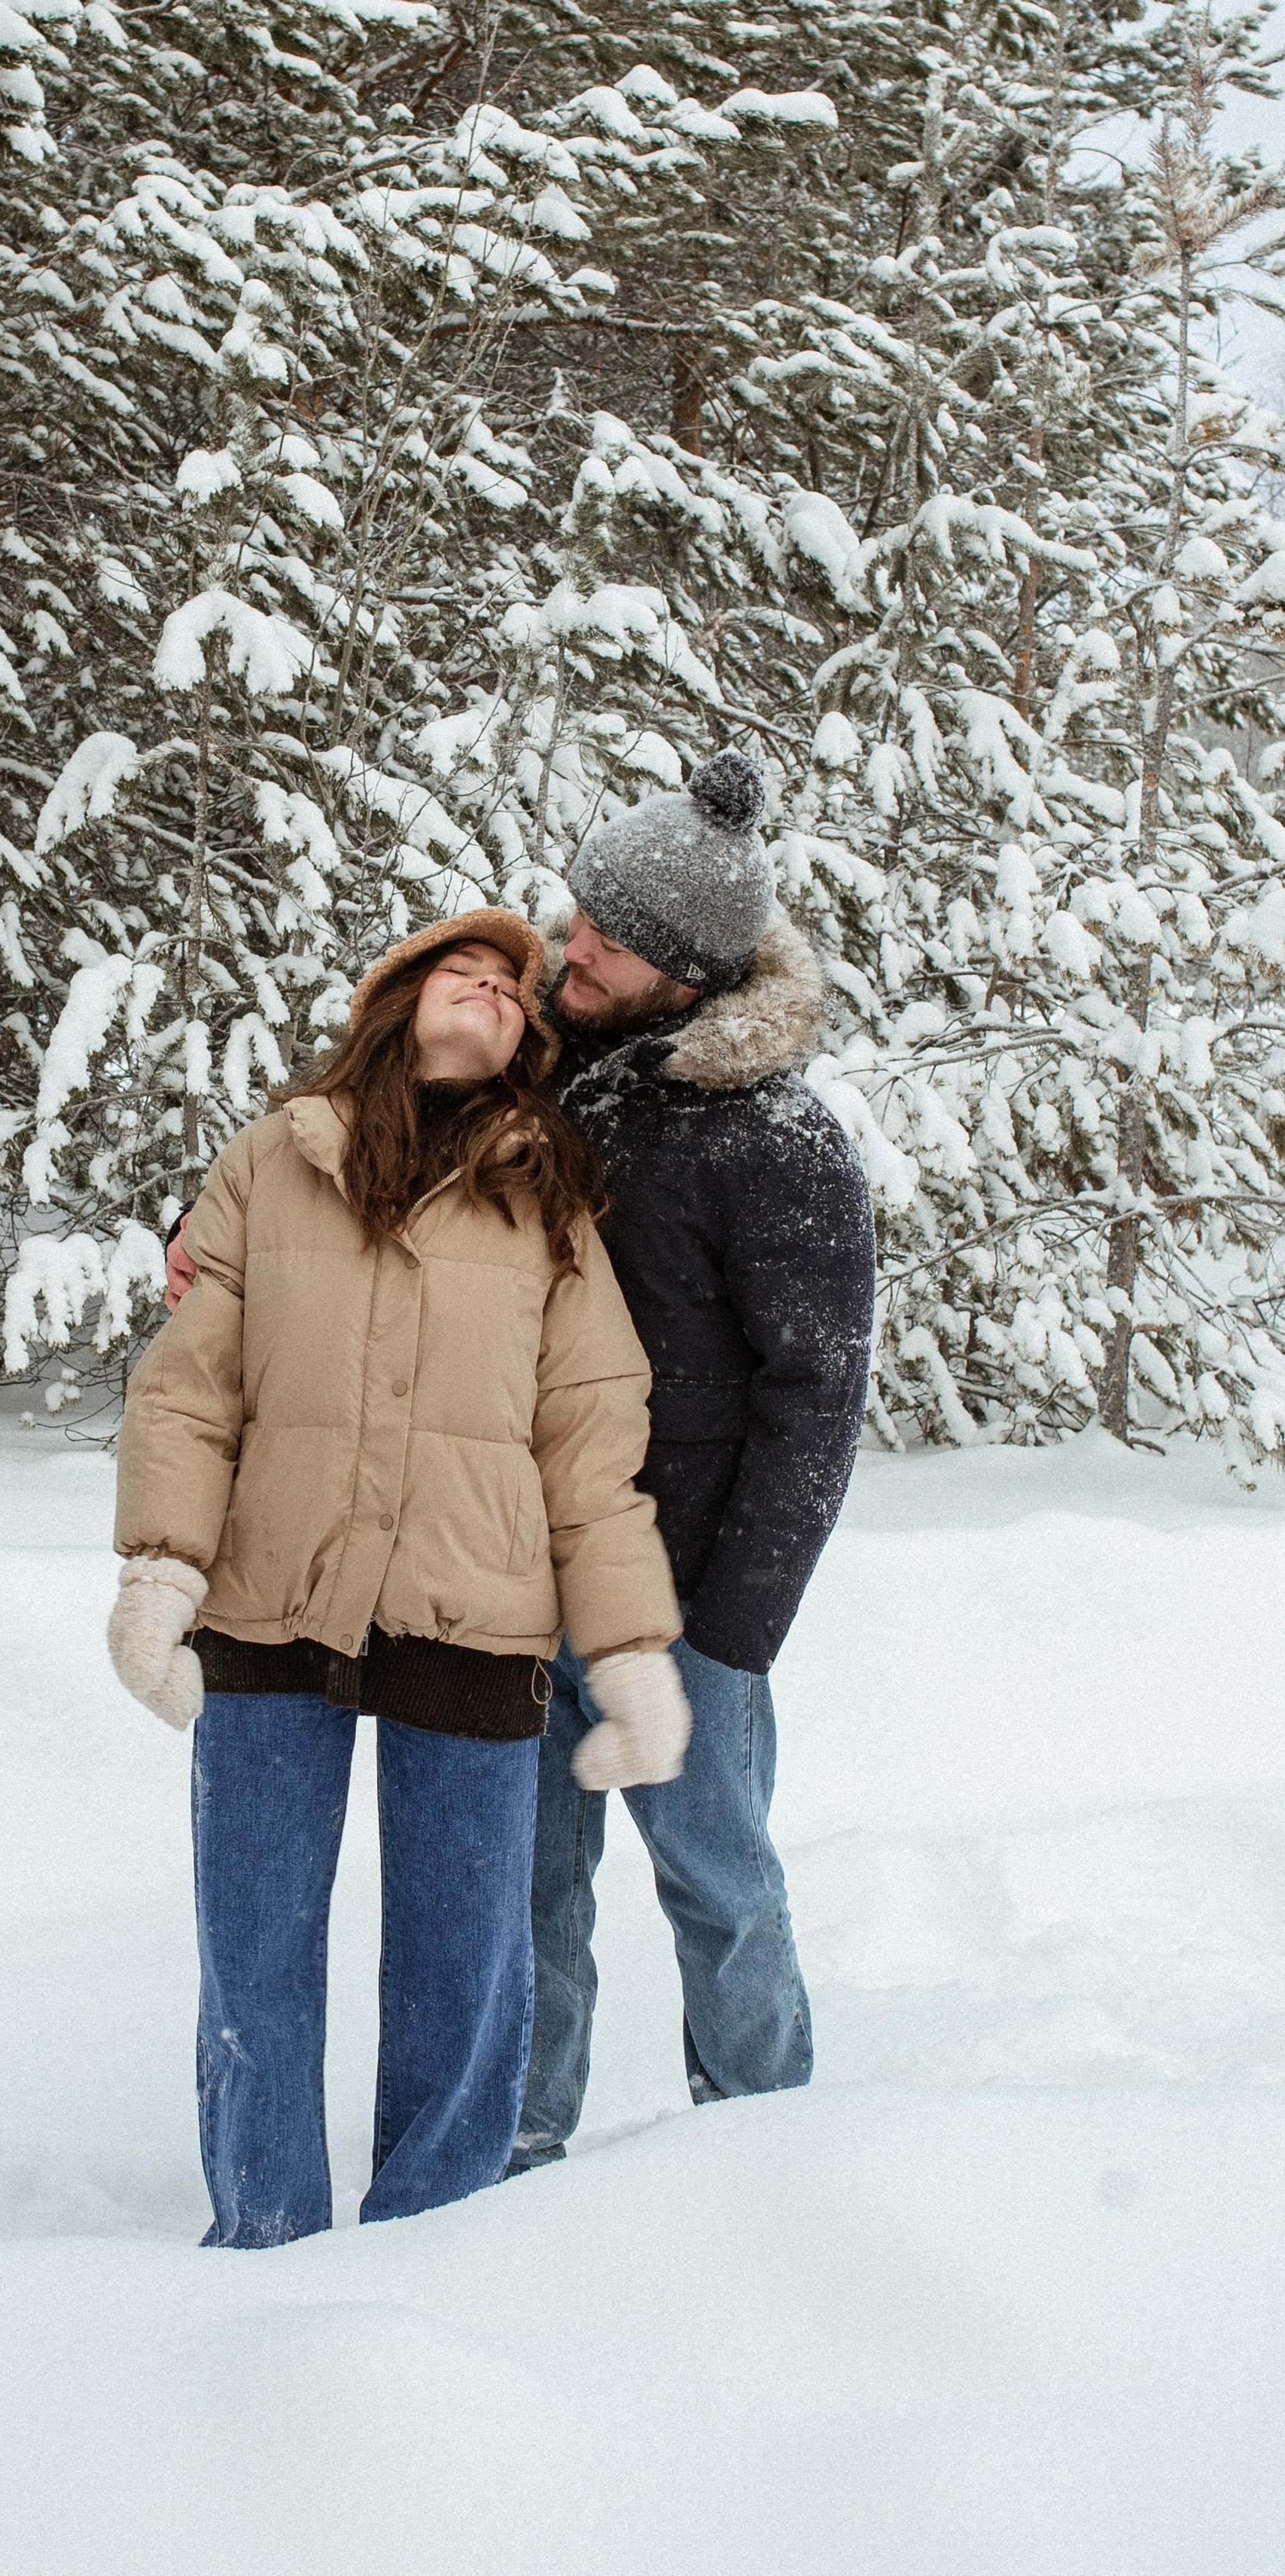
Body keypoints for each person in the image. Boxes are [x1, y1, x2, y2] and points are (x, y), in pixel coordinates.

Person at [110, 913, 690, 2248]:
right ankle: (264, 2239)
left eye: (509, 988)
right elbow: (192, 1387)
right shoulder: (269, 1159)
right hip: (271, 1598)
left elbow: (592, 1438)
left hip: (474, 1612)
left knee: (464, 1969)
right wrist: (159, 1566)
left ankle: (435, 2252)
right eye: (458, 970)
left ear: (527, 1040)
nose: (485, 989)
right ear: (396, 999)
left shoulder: (549, 1195)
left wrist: (630, 1646)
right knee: (254, 1951)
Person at [513, 748, 875, 2159]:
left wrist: (731, 1631)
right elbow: (367, 1117)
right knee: (530, 1890)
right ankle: (517, 2145)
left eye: (610, 938)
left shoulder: (780, 1141)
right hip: (520, 1570)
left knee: (714, 1880)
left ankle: (763, 2144)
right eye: (581, 913)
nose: (571, 945)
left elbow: (818, 1402)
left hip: (679, 1608)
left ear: (690, 972)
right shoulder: (548, 1069)